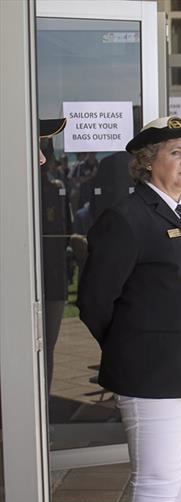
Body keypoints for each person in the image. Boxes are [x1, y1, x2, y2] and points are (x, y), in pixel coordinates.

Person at [77, 116, 181, 502]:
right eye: (175, 152)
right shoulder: (128, 216)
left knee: (174, 474)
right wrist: (130, 347)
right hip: (150, 374)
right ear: (147, 162)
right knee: (157, 481)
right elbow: (94, 301)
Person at [38, 118, 69, 390]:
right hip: (27, 285)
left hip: (53, 280)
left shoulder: (54, 189)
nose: (42, 158)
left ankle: (42, 405)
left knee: (46, 348)